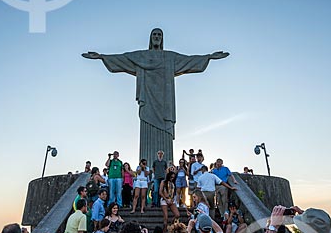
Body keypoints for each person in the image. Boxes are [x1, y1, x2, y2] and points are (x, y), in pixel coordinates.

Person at [82, 29, 229, 164]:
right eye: (154, 35)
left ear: (162, 38)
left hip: (165, 103)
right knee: (146, 125)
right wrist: (102, 57)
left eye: (159, 35)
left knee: (165, 130)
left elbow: (189, 60)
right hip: (148, 100)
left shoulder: (170, 57)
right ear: (150, 38)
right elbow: (123, 59)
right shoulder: (141, 56)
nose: (157, 37)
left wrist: (208, 57)